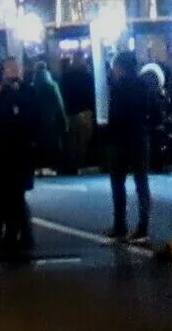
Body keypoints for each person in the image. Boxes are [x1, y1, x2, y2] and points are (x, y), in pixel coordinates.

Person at [0, 65, 35, 259]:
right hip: (6, 160)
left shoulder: (10, 102)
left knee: (10, 199)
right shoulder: (0, 101)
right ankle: (11, 237)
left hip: (12, 160)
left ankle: (11, 238)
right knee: (6, 199)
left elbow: (15, 129)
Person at [102, 47, 154, 243]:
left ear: (119, 67)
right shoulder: (143, 85)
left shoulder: (118, 86)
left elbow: (115, 114)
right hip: (139, 136)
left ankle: (120, 225)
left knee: (118, 183)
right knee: (141, 182)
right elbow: (152, 110)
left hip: (120, 139)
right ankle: (143, 226)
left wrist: (109, 133)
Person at [58, 51, 97, 172]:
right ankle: (81, 163)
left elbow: (62, 95)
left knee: (72, 141)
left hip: (70, 113)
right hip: (85, 112)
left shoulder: (66, 76)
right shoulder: (88, 76)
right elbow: (92, 95)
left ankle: (73, 164)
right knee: (83, 141)